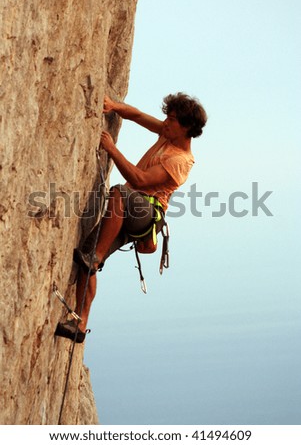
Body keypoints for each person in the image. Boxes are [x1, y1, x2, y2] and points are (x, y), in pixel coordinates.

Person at [55, 92, 207, 343]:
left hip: (146, 214)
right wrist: (114, 106)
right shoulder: (169, 133)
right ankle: (80, 325)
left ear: (187, 127)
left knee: (120, 194)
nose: (165, 123)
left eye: (171, 120)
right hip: (124, 212)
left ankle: (96, 257)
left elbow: (140, 180)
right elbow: (137, 116)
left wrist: (112, 149)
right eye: (166, 118)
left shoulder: (180, 160)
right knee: (85, 257)